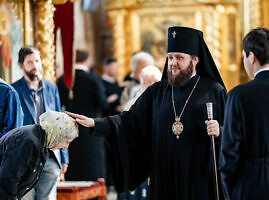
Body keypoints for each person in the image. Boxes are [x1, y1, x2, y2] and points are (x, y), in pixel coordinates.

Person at [66, 26, 227, 200]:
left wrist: (221, 130)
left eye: (179, 58)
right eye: (170, 57)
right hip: (163, 178)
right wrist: (96, 123)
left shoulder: (213, 90)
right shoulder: (157, 91)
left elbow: (234, 131)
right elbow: (130, 120)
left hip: (198, 178)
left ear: (195, 60)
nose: (173, 63)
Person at [219, 27, 269, 200]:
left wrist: (232, 190)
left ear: (252, 56)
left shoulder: (239, 95)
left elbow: (229, 153)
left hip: (252, 186)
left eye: (244, 56)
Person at [11, 45, 69, 200]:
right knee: (26, 197)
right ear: (21, 66)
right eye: (30, 62)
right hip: (25, 157)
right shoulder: (13, 90)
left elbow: (60, 122)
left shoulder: (51, 88)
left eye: (37, 61)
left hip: (50, 155)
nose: (35, 65)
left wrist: (64, 156)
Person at [0, 111, 78, 200]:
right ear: (58, 134)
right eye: (67, 141)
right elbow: (8, 180)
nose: (66, 146)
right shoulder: (29, 141)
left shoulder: (41, 142)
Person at [57, 49, 108, 182]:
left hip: (69, 130)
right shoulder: (93, 79)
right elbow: (102, 103)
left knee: (74, 168)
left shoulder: (62, 80)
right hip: (90, 129)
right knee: (92, 170)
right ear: (87, 60)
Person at [118, 65, 162, 200]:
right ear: (142, 84)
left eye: (154, 82)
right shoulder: (133, 103)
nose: (151, 86)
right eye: (147, 82)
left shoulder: (167, 100)